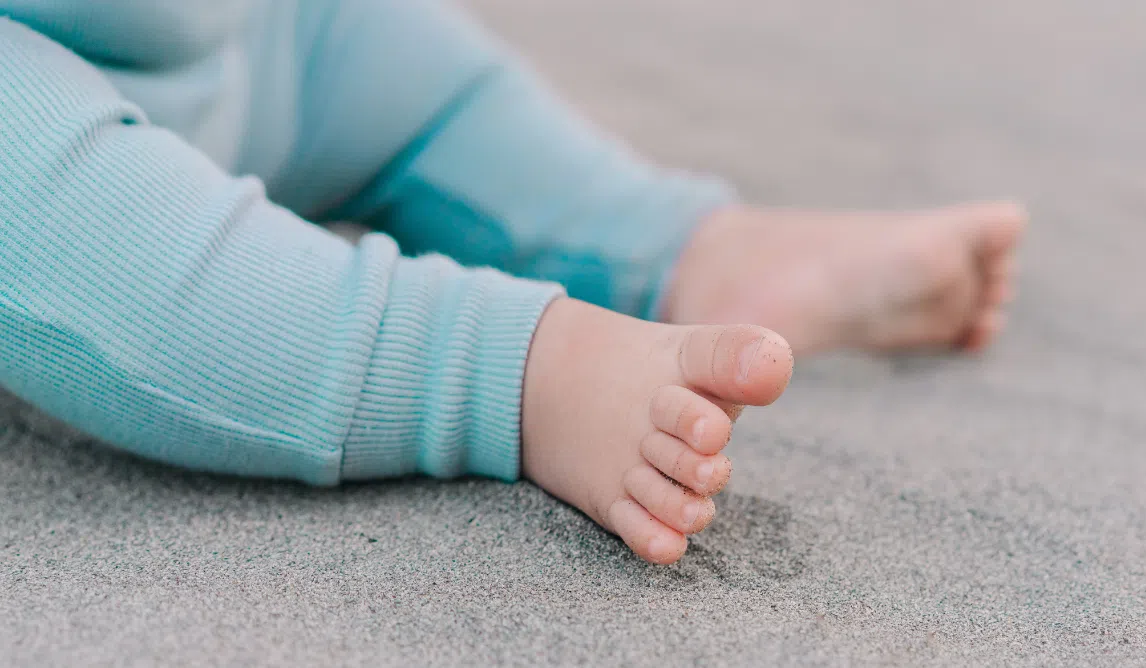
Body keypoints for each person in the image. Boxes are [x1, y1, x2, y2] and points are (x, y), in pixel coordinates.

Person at [0, 0, 1025, 564]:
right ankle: (512, 368)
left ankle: (687, 244)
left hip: (202, 41)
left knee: (399, 67)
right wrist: (509, 370)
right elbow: (134, 292)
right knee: (107, 241)